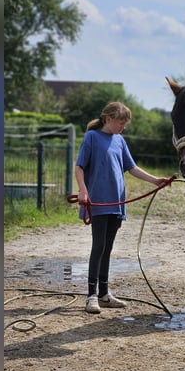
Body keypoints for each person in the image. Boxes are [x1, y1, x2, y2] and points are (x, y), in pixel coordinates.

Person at [75, 101, 172, 314]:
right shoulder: (92, 137)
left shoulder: (119, 140)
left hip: (116, 203)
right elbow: (79, 166)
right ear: (108, 119)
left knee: (108, 248)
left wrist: (156, 180)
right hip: (99, 202)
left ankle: (104, 294)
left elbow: (132, 167)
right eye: (121, 122)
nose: (123, 127)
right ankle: (91, 296)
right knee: (98, 246)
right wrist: (83, 191)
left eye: (125, 124)